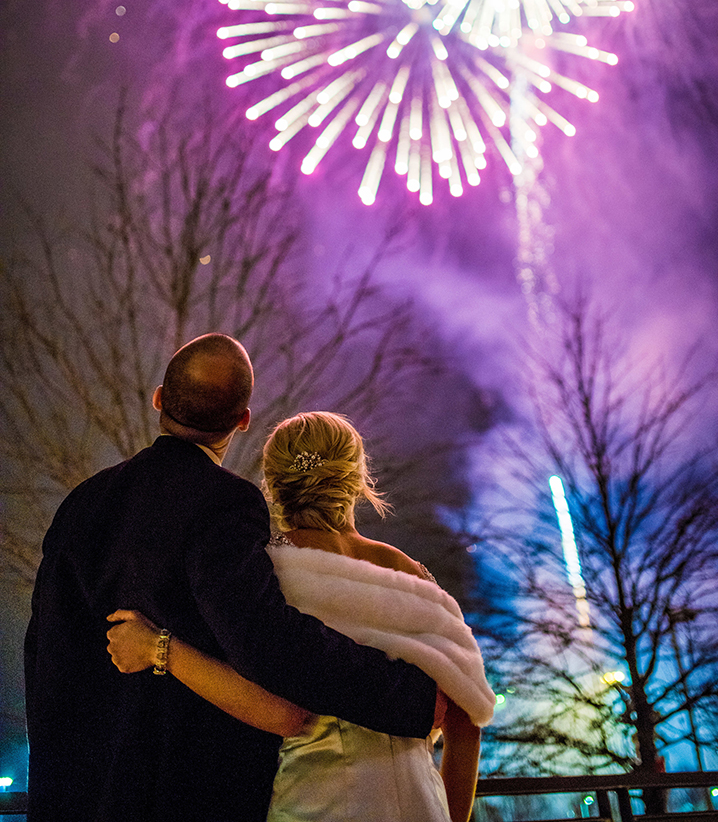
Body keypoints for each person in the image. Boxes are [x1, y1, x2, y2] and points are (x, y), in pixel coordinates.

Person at [24, 336, 439, 822]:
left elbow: (44, 653)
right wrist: (407, 697)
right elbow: (267, 642)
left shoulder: (82, 503)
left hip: (83, 795)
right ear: (242, 420)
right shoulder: (223, 503)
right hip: (184, 792)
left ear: (159, 398)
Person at [107, 411, 496, 822]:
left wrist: (159, 647)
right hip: (421, 806)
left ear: (273, 485)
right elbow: (467, 717)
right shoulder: (413, 575)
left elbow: (264, 706)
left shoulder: (262, 575)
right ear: (357, 477)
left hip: (316, 804)